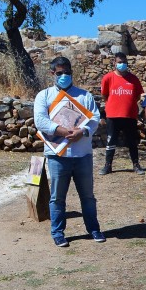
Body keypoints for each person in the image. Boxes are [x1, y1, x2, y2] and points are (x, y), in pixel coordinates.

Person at [34, 57, 104, 247]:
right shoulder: (44, 96)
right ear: (52, 74)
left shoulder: (84, 96)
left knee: (88, 196)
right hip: (57, 156)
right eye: (59, 73)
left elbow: (95, 119)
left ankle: (94, 229)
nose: (64, 76)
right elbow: (40, 121)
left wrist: (83, 131)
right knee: (57, 197)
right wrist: (61, 131)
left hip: (83, 154)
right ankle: (58, 233)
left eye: (67, 72)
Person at [99, 52, 145, 175]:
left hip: (129, 115)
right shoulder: (108, 78)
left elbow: (137, 96)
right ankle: (108, 165)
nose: (122, 64)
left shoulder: (133, 78)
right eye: (119, 62)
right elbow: (105, 95)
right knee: (111, 141)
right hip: (113, 116)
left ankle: (136, 164)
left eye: (124, 62)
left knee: (132, 141)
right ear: (114, 63)